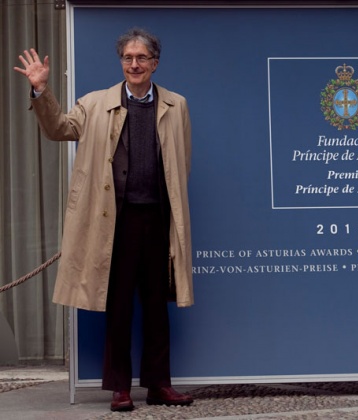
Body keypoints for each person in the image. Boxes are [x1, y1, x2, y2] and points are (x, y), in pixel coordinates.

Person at [14, 28, 194, 412]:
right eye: (128, 58)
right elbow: (59, 128)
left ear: (155, 63)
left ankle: (160, 384)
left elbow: (182, 164)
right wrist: (41, 92)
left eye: (142, 58)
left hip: (158, 219)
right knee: (118, 306)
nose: (134, 64)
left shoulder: (177, 105)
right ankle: (120, 388)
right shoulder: (94, 104)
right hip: (115, 222)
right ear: (121, 63)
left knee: (156, 307)